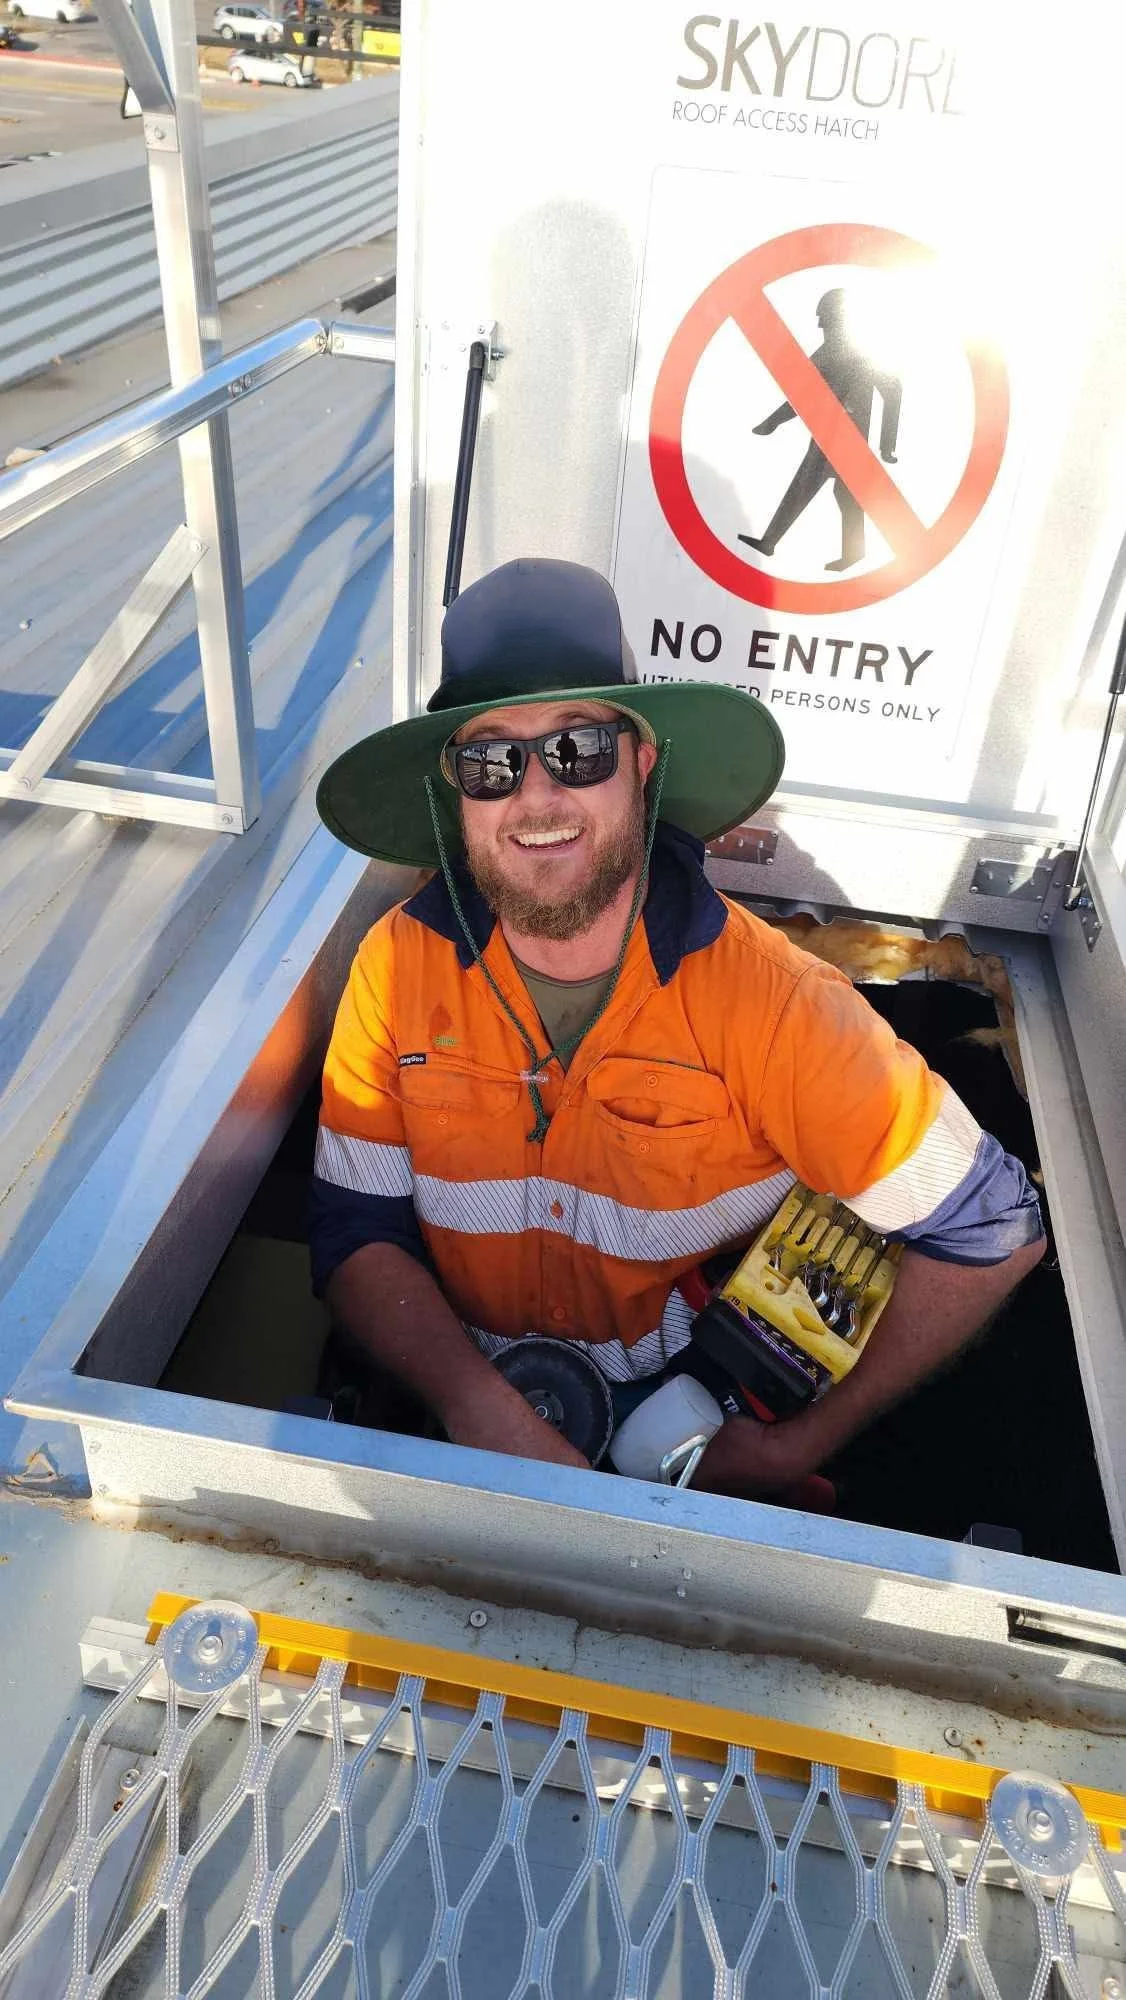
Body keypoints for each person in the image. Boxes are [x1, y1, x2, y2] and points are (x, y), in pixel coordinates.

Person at [310, 558, 1044, 1496]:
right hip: (461, 1398)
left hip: (688, 1424)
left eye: (578, 750)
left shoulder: (775, 1006)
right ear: (458, 795)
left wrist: (791, 1448)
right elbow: (354, 1225)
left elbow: (991, 1228)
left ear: (643, 763)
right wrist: (469, 1399)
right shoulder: (393, 967)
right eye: (492, 761)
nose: (536, 798)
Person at [739, 288, 902, 573]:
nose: (820, 325)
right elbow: (804, 394)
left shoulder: (845, 352)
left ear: (837, 319)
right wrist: (773, 421)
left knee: (805, 485)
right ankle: (852, 551)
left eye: (824, 318)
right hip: (832, 435)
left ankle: (772, 542)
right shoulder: (832, 352)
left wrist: (887, 444)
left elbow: (893, 390)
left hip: (843, 441)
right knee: (843, 493)